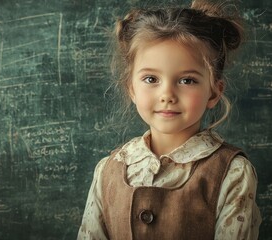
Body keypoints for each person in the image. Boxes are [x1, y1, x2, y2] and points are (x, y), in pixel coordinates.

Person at [77, 0, 262, 239]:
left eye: (187, 80)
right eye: (151, 79)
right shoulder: (108, 170)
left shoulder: (233, 172)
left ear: (214, 92)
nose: (167, 95)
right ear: (131, 89)